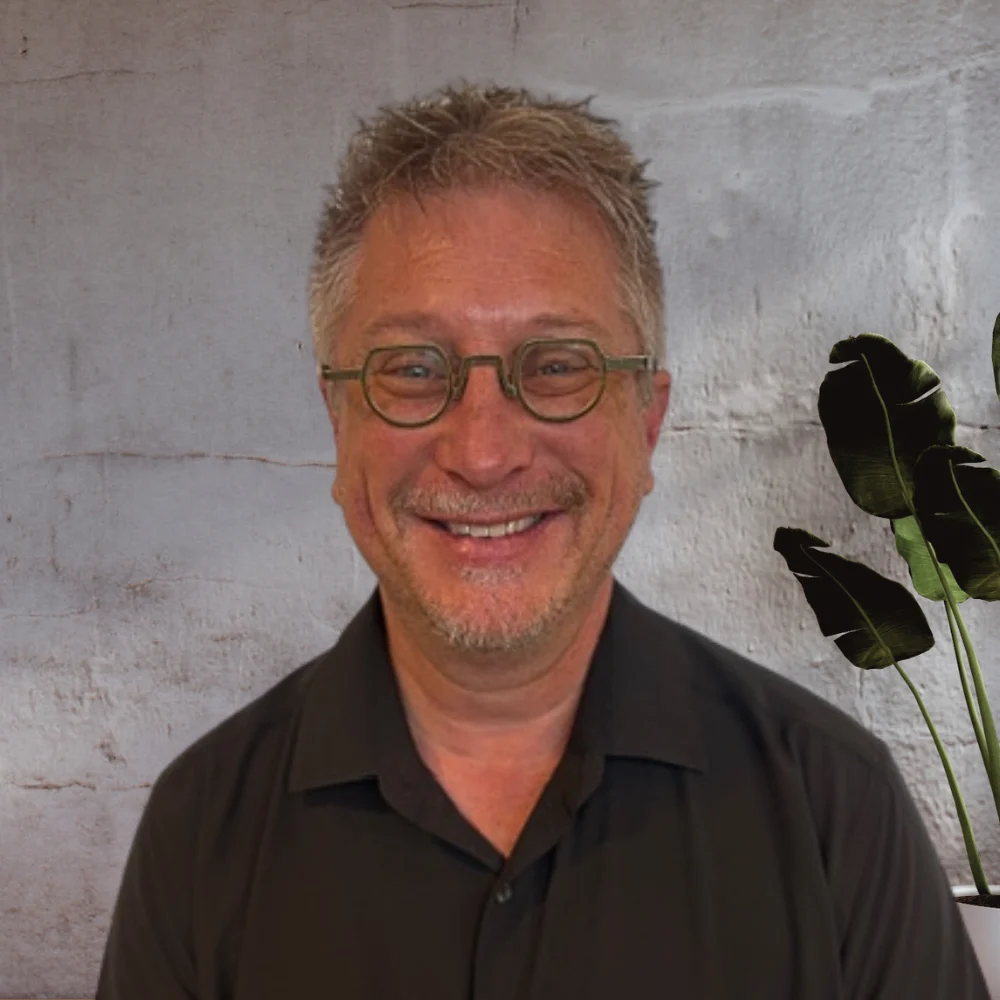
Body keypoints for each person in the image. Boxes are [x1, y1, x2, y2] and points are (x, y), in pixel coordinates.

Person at [96, 84, 988, 999]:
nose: (483, 453)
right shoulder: (202, 827)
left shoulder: (836, 810)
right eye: (413, 368)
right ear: (339, 419)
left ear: (647, 421)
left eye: (558, 365)